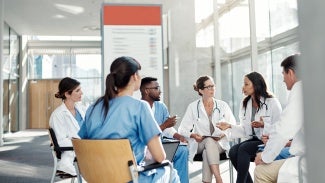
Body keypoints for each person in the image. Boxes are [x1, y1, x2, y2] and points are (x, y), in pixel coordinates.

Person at [78, 56, 180, 183]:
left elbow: (84, 145)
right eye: (139, 73)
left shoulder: (93, 108)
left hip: (97, 178)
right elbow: (160, 156)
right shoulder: (140, 107)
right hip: (129, 179)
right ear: (134, 77)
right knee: (170, 171)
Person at [217, 71, 282, 183]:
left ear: (256, 84)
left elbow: (280, 128)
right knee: (233, 151)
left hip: (269, 141)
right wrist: (229, 126)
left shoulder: (272, 102)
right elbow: (244, 130)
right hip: (253, 139)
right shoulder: (246, 104)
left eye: (246, 84)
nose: (243, 87)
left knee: (243, 149)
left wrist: (264, 125)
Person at [254, 54, 305, 183]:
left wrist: (265, 157)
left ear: (291, 73)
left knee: (260, 171)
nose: (283, 79)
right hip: (304, 153)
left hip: (309, 162)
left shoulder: (300, 89)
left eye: (283, 74)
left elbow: (283, 129)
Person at [178, 75, 236, 183]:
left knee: (207, 152)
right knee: (208, 141)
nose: (212, 89)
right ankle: (219, 179)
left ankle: (209, 181)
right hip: (199, 143)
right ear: (200, 90)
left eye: (213, 86)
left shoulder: (223, 105)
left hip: (219, 144)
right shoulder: (193, 107)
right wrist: (194, 135)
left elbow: (232, 125)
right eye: (208, 87)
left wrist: (223, 135)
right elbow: (182, 130)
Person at [140, 76, 189, 183]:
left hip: (161, 145)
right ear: (147, 91)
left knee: (182, 150)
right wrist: (165, 125)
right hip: (145, 150)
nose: (160, 91)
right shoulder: (138, 108)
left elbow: (168, 130)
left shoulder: (161, 106)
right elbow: (144, 134)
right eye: (157, 88)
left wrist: (179, 137)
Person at [49, 77, 86, 176]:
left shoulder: (81, 109)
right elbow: (60, 141)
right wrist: (81, 142)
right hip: (78, 150)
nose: (81, 93)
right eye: (77, 90)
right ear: (67, 94)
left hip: (86, 146)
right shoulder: (58, 115)